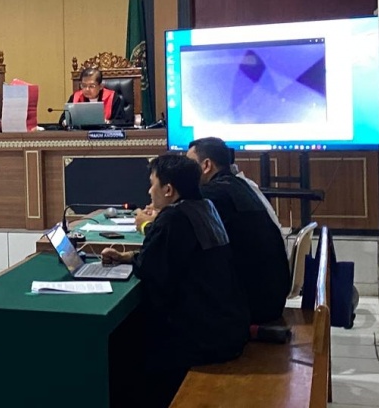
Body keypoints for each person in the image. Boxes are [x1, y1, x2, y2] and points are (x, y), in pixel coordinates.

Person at [102, 154, 249, 407]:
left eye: (153, 184)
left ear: (168, 190)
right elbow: (173, 258)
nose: (149, 191)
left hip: (200, 339)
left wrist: (136, 260)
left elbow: (151, 269)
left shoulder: (173, 218)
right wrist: (128, 257)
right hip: (227, 326)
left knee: (122, 343)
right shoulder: (205, 207)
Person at [187, 137, 291, 324]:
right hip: (270, 298)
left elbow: (179, 227)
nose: (185, 171)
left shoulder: (213, 194)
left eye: (189, 164)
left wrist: (149, 221)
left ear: (206, 165)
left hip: (251, 307)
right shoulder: (240, 185)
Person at [62, 67, 130, 125]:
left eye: (91, 86)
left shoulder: (113, 97)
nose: (87, 89)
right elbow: (63, 119)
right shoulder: (75, 97)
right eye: (84, 85)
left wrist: (108, 122)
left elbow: (122, 121)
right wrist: (65, 122)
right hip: (81, 134)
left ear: (100, 86)